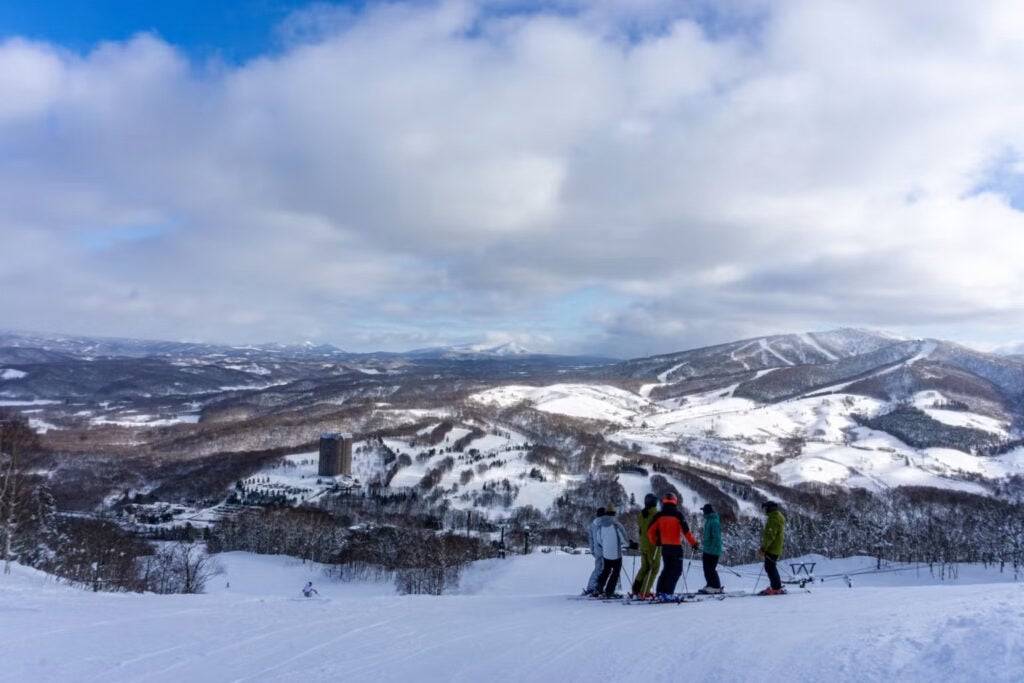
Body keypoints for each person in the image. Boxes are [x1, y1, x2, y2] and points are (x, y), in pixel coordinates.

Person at [647, 493, 700, 600]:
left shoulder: (659, 515)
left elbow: (650, 531)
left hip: (665, 547)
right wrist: (694, 543)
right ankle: (667, 593)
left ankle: (660, 591)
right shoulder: (678, 515)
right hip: (676, 547)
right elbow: (686, 532)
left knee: (666, 569)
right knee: (676, 571)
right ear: (675, 501)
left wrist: (656, 541)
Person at [594, 503, 630, 598]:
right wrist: (628, 544)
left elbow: (599, 540)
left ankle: (598, 588)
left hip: (606, 554)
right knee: (616, 572)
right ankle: (609, 591)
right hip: (616, 554)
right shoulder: (616, 524)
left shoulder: (600, 525)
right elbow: (624, 538)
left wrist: (605, 546)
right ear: (614, 513)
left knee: (606, 570)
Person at [631, 493, 661, 599]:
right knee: (654, 568)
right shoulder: (656, 515)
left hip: (643, 545)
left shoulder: (642, 515)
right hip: (653, 546)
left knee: (644, 568)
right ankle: (644, 592)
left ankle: (636, 589)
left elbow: (640, 530)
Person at [758, 501, 786, 595]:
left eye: (766, 508)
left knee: (769, 567)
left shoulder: (773, 519)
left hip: (772, 548)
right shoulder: (777, 517)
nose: (765, 510)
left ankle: (775, 587)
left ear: (770, 508)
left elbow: (770, 536)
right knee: (771, 567)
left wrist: (763, 548)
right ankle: (776, 585)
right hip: (776, 547)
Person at [697, 503, 723, 594]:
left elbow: (717, 538)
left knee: (710, 569)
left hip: (713, 550)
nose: (703, 512)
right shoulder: (709, 520)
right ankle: (710, 585)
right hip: (708, 549)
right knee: (707, 569)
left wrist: (714, 550)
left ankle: (716, 586)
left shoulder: (714, 522)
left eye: (703, 510)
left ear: (707, 511)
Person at [583, 507, 606, 596]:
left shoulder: (592, 525)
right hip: (604, 549)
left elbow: (591, 539)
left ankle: (591, 586)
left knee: (598, 569)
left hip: (596, 550)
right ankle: (596, 587)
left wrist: (592, 550)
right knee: (604, 569)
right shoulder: (604, 524)